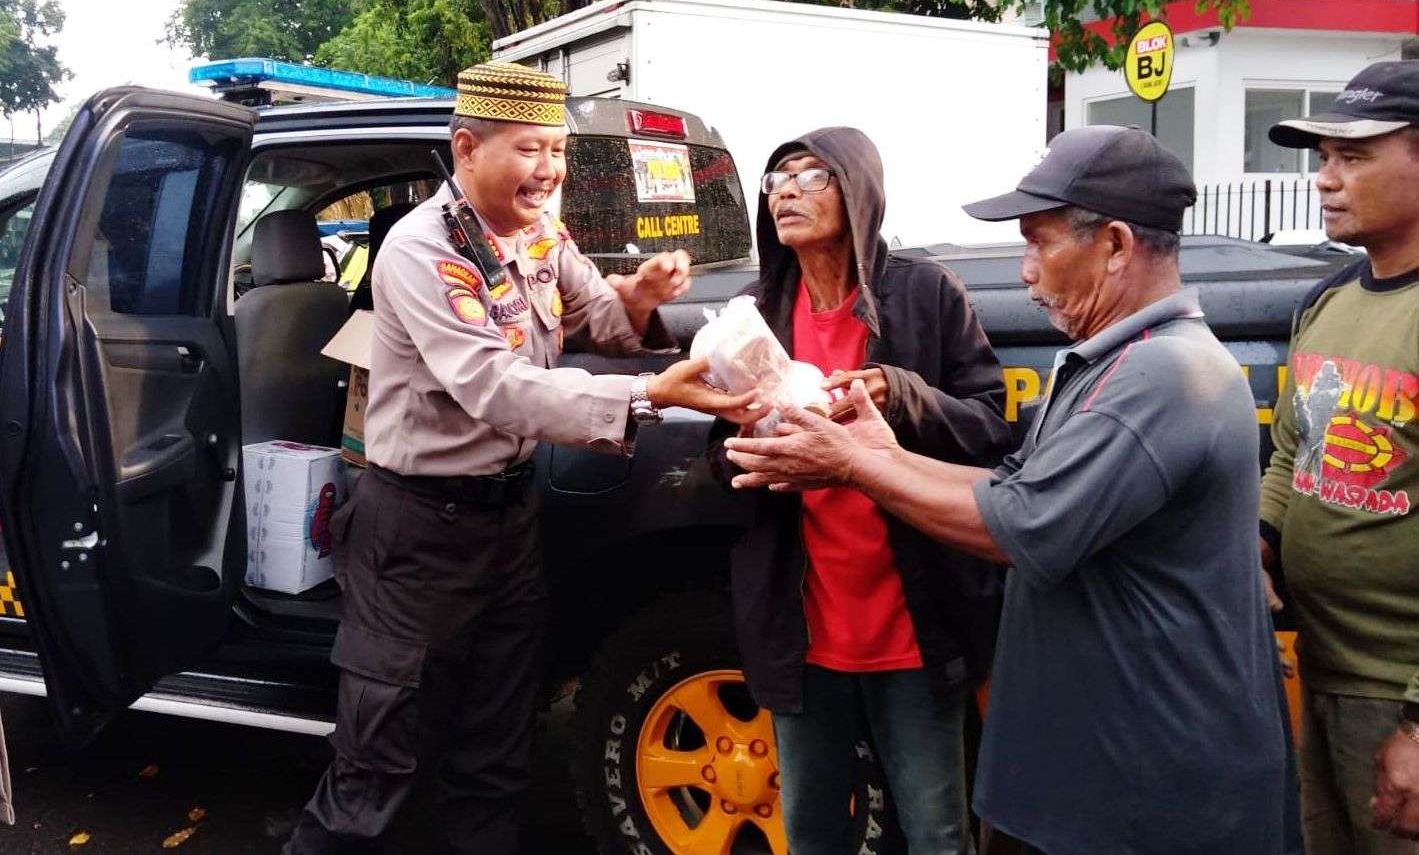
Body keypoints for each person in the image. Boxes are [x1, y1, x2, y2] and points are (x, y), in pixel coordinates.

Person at [723, 126, 1301, 853]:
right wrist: (873, 449)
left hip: (1146, 786)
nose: (1025, 272)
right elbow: (1012, 485)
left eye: (1039, 242)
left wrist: (855, 461)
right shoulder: (1111, 362)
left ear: (1116, 245)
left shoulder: (1159, 376)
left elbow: (1020, 524)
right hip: (1105, 766)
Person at [284, 62, 761, 854]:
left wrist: (639, 293)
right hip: (415, 536)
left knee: (495, 752)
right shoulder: (422, 251)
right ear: (467, 148)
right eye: (529, 150)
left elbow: (603, 319)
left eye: (557, 151)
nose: (548, 171)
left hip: (508, 522)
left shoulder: (540, 230)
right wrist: (651, 395)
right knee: (379, 768)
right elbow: (494, 386)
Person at [708, 127, 1013, 853]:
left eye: (811, 177)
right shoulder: (753, 315)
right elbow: (716, 457)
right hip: (803, 633)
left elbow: (992, 427)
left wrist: (899, 391)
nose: (785, 190)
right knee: (812, 832)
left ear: (859, 190)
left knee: (935, 831)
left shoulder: (924, 293)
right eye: (776, 178)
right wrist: (747, 449)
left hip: (911, 627)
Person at [1261, 60, 1419, 851]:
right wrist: (1257, 541)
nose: (1324, 179)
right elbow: (1295, 451)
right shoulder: (1325, 302)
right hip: (1317, 671)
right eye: (1321, 158)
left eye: (1352, 157)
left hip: (1398, 695)